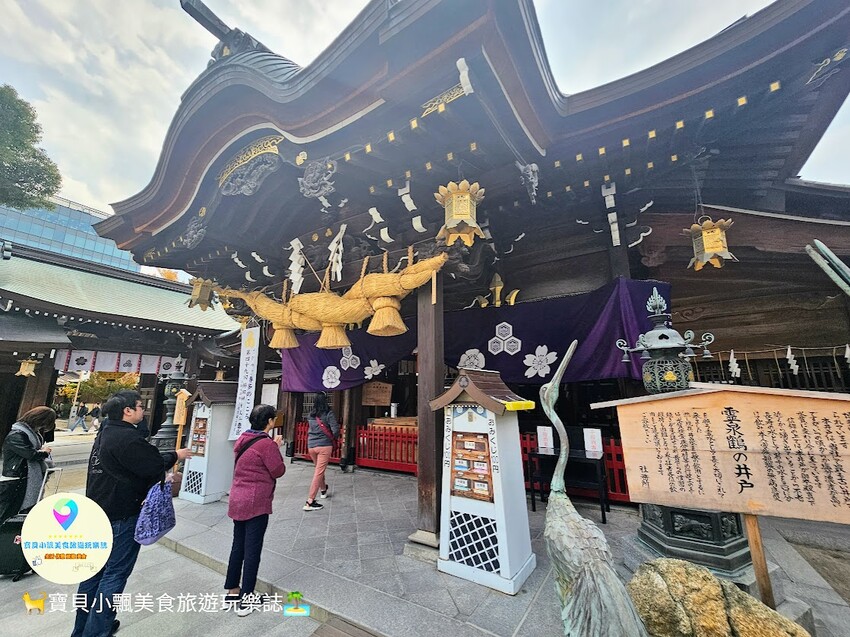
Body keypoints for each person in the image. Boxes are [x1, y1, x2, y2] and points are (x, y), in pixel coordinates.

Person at [71, 390, 192, 637]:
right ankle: (96, 631)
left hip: (99, 510)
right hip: (121, 513)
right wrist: (175, 456)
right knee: (114, 574)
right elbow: (151, 464)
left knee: (94, 574)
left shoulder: (106, 432)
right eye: (139, 407)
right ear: (127, 411)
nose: (143, 410)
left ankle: (85, 628)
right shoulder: (126, 438)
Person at [224, 403, 285, 616]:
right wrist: (276, 447)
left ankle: (233, 590)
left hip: (238, 497)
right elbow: (278, 470)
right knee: (252, 550)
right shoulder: (266, 444)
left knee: (237, 545)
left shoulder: (243, 439)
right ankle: (247, 598)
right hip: (255, 501)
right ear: (269, 421)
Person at [0, 407, 55, 526]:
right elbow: (30, 454)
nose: (43, 428)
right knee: (6, 513)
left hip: (24, 479)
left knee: (17, 514)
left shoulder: (32, 434)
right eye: (44, 424)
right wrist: (44, 452)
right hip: (14, 480)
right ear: (39, 420)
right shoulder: (17, 435)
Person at [304, 392, 339, 511]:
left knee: (319, 469)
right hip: (324, 445)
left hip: (311, 445)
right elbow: (335, 430)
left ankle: (323, 490)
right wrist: (333, 438)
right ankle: (310, 501)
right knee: (319, 472)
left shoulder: (311, 415)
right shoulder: (329, 413)